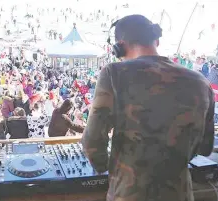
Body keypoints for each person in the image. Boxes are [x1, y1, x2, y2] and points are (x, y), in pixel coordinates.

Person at [81, 15, 214, 201]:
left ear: (119, 46)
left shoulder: (114, 74)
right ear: (156, 40)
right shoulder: (201, 82)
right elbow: (206, 147)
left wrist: (107, 167)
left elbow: (92, 144)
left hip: (129, 194)